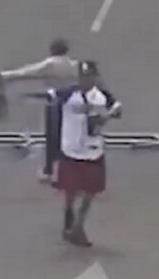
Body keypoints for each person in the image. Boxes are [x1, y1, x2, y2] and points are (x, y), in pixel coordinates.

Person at [50, 61, 122, 247]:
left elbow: (117, 108)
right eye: (82, 77)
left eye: (89, 76)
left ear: (95, 77)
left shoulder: (102, 96)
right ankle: (68, 215)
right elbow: (51, 97)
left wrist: (106, 116)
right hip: (72, 150)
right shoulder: (69, 94)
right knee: (70, 190)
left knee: (91, 191)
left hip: (93, 151)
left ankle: (78, 227)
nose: (85, 80)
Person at [0, 39, 78, 182]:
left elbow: (27, 72)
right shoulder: (74, 65)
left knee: (52, 137)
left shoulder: (50, 64)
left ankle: (49, 170)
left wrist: (5, 76)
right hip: (72, 104)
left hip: (54, 103)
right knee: (70, 137)